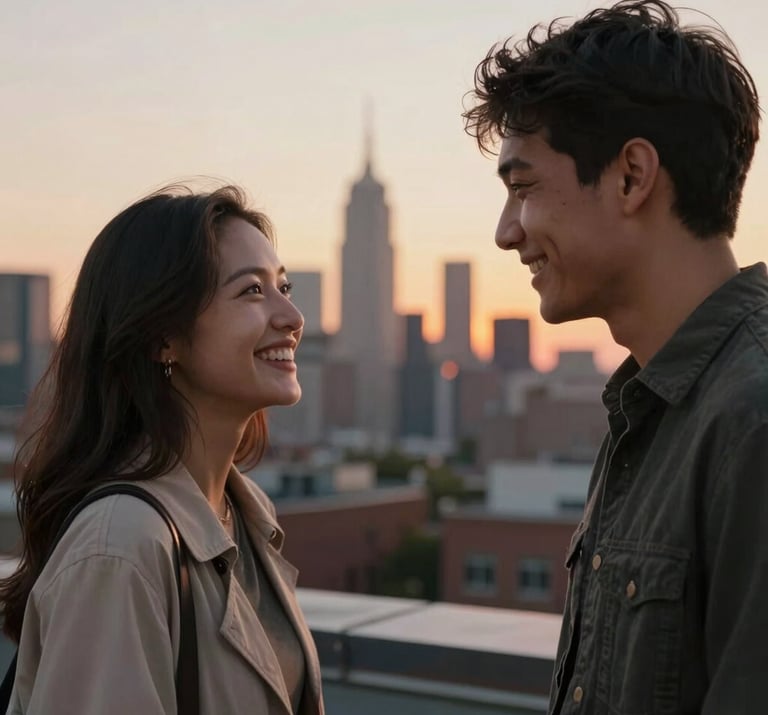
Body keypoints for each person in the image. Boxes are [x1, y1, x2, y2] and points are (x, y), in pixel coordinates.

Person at [463, 1, 765, 713]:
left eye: (523, 185)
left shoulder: (750, 418)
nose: (508, 232)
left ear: (631, 175)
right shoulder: (646, 411)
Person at [0, 184, 325, 714]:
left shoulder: (244, 517)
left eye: (283, 287)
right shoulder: (122, 547)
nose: (292, 317)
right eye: (251, 292)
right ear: (163, 338)